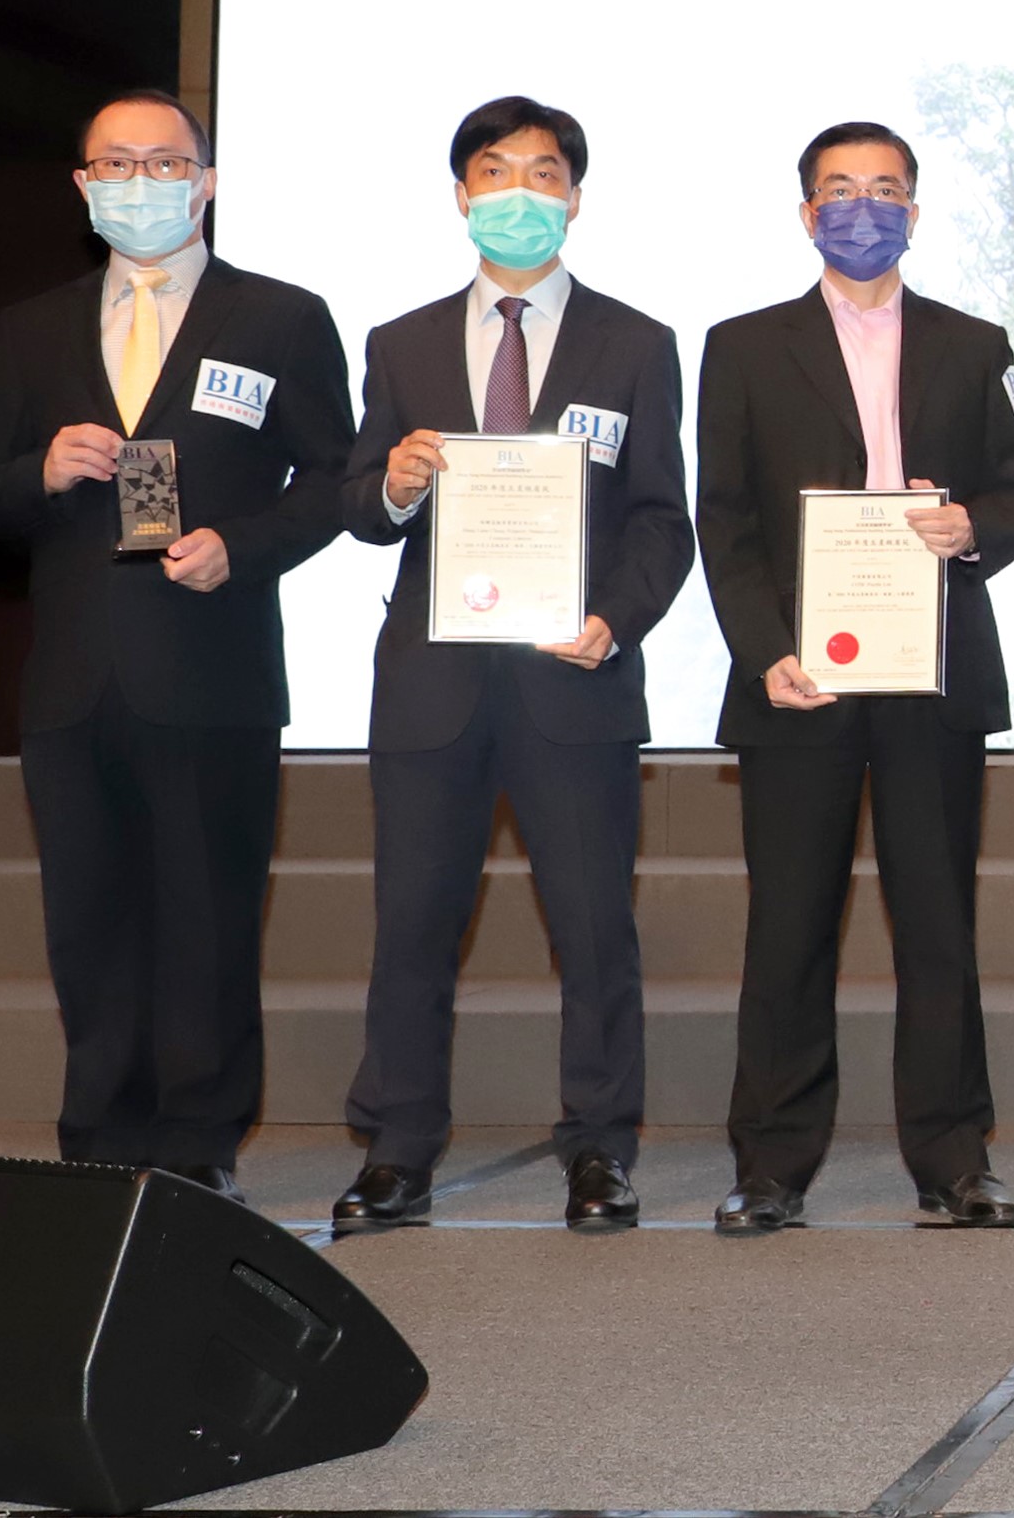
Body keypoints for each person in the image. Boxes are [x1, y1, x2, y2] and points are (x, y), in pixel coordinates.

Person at [0, 90, 352, 1197]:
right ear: (84, 186)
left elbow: (335, 479)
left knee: (208, 919)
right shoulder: (32, 327)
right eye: (116, 165)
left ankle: (197, 1145)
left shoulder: (280, 317)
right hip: (73, 680)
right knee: (87, 922)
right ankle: (98, 1142)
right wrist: (39, 472)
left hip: (214, 669)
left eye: (165, 163)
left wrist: (243, 545)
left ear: (206, 182)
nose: (142, 182)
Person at [329, 97, 696, 1234]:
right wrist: (394, 485)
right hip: (431, 689)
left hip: (572, 680)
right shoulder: (399, 342)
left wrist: (614, 620)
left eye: (544, 174)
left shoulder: (636, 343)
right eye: (496, 172)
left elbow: (661, 518)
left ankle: (600, 1150)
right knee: (412, 927)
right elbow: (360, 504)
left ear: (575, 199)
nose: (520, 193)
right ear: (461, 195)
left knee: (593, 931)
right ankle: (397, 1151)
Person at [695, 121, 1014, 1234]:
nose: (865, 207)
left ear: (916, 210)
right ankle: (771, 1165)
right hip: (798, 673)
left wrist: (972, 526)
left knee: (937, 922)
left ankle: (954, 1159)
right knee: (788, 926)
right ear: (807, 212)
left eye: (886, 189)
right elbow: (727, 520)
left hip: (931, 669)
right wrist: (766, 652)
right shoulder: (743, 346)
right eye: (842, 189)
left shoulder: (973, 343)